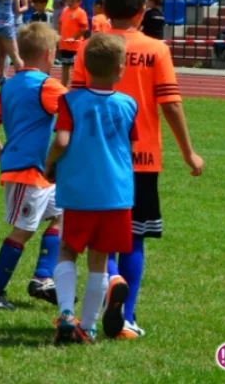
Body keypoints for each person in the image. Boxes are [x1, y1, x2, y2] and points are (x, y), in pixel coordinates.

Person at [70, 0, 204, 340]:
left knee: (102, 235)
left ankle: (110, 278)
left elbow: (75, 102)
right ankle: (125, 316)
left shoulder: (89, 48)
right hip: (141, 159)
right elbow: (171, 103)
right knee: (135, 237)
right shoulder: (156, 50)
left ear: (104, 10)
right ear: (143, 12)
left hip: (95, 158)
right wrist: (188, 151)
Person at [45, 33, 139, 345]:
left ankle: (67, 313)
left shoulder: (71, 100)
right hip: (116, 194)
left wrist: (49, 164)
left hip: (79, 192)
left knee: (68, 250)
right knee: (99, 260)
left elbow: (61, 140)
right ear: (120, 69)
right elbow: (132, 144)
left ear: (83, 65)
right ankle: (89, 326)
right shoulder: (129, 104)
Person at [0, 23, 66, 310]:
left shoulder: (10, 84)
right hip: (27, 171)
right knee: (23, 231)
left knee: (63, 216)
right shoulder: (47, 86)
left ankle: (42, 278)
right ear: (49, 54)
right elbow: (73, 109)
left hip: (40, 172)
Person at [58, 0, 88, 86]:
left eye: (73, 0)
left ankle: (76, 87)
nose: (70, 2)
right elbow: (60, 24)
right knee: (65, 67)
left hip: (76, 46)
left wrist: (73, 38)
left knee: (76, 68)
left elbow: (84, 29)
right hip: (65, 45)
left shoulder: (81, 13)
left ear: (79, 2)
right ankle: (63, 87)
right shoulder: (65, 10)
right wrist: (59, 37)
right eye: (69, 0)